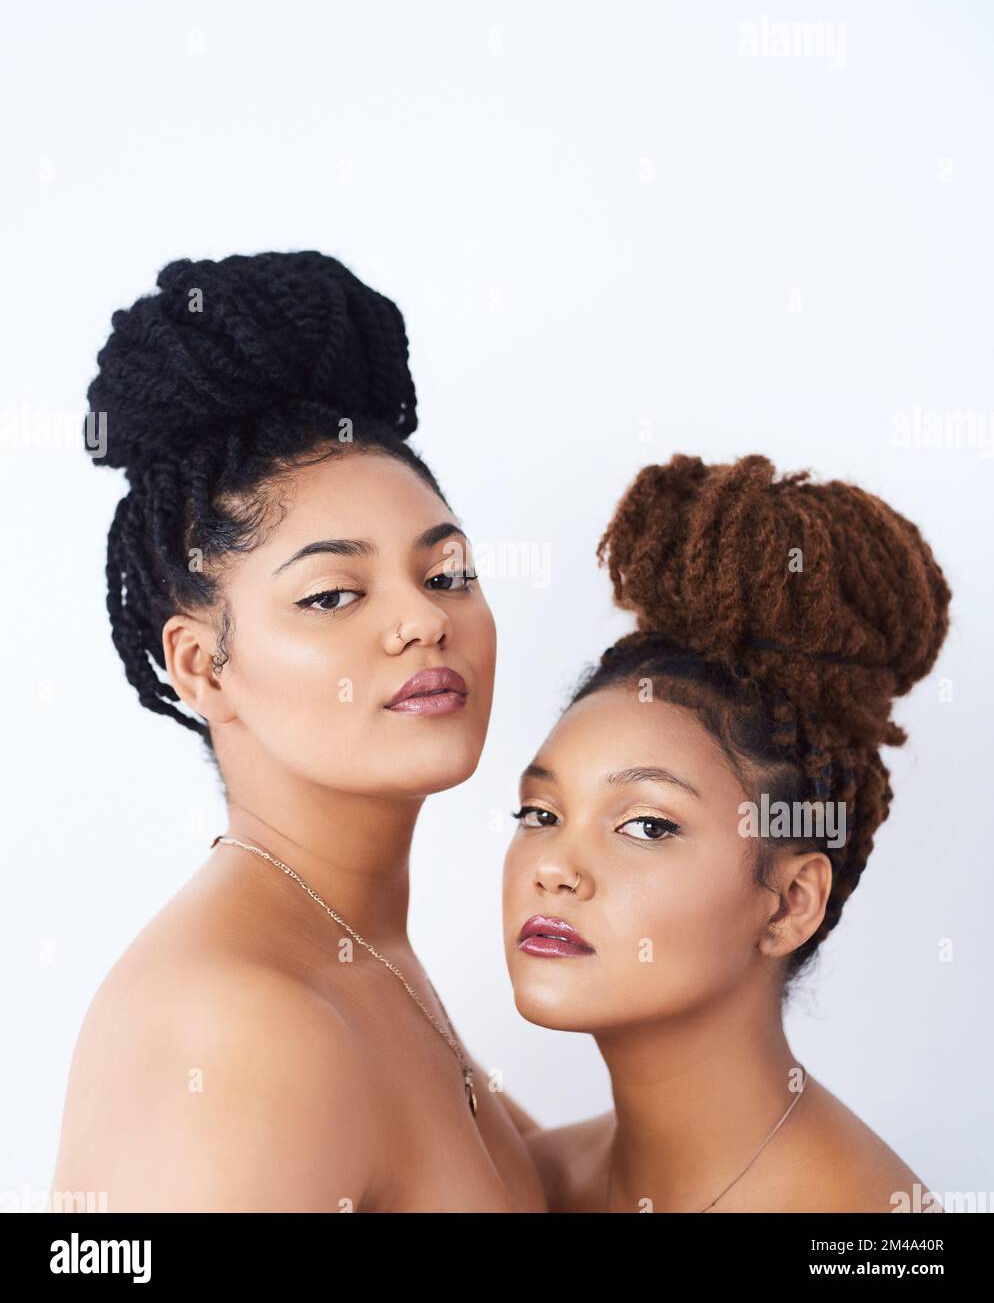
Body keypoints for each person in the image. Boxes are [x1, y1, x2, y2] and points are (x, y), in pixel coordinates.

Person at [52, 250, 546, 1212]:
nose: (421, 621)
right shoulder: (238, 1028)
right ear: (202, 665)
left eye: (446, 574)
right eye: (332, 594)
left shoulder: (361, 955)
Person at [503, 453, 950, 1213]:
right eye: (541, 815)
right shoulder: (535, 1182)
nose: (554, 869)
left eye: (645, 824)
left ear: (789, 903)